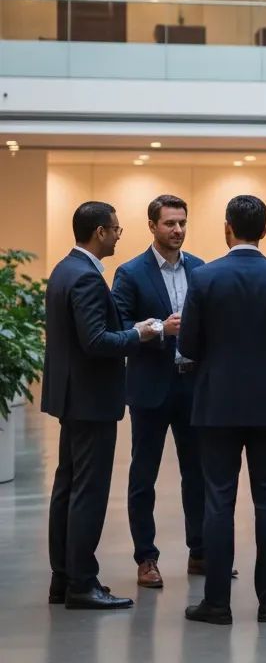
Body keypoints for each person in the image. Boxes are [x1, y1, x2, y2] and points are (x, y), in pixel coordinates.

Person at [178, 195, 266, 625]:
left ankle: (217, 602)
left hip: (216, 403)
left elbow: (188, 345)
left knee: (218, 500)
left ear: (227, 228)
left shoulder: (204, 277)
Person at [42, 201, 159, 610]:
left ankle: (63, 578)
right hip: (91, 399)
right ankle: (82, 583)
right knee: (88, 492)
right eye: (116, 228)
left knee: (68, 488)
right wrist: (140, 334)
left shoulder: (63, 270)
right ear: (99, 233)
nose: (119, 235)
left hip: (71, 397)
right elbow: (96, 342)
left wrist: (127, 330)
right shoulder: (88, 278)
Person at [111, 194, 206, 590]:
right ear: (152, 226)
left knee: (197, 474)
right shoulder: (130, 272)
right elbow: (119, 325)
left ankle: (200, 552)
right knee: (143, 477)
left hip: (193, 385)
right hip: (150, 387)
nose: (178, 230)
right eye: (170, 223)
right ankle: (146, 558)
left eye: (182, 222)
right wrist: (157, 329)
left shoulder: (201, 269)